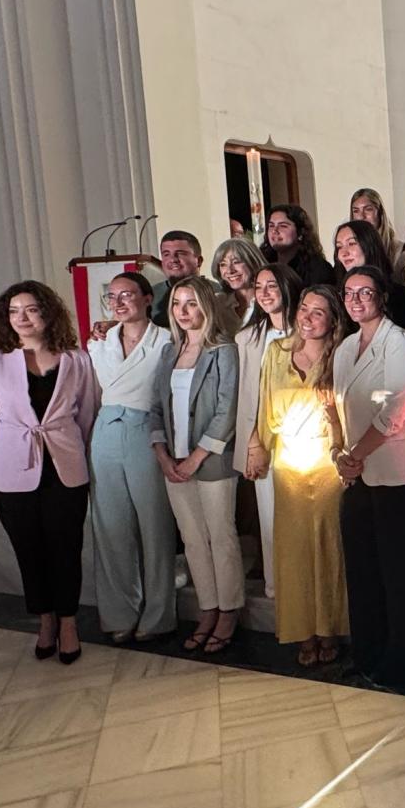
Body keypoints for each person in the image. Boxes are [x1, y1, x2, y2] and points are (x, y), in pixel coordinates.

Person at [0, 281, 99, 664]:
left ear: (47, 313)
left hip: (65, 467)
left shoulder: (76, 359)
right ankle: (45, 620)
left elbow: (88, 415)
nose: (22, 318)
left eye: (30, 309)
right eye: (13, 311)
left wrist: (86, 463)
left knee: (66, 548)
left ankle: (69, 622)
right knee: (29, 550)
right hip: (12, 469)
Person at [331, 266, 405, 684]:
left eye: (364, 292)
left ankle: (401, 658)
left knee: (395, 574)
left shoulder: (399, 342)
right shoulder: (345, 346)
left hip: (394, 474)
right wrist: (339, 452)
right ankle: (366, 653)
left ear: (381, 297)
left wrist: (353, 454)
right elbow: (334, 406)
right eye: (349, 293)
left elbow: (394, 413)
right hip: (354, 473)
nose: (355, 300)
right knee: (362, 570)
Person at [256, 285, 350, 666]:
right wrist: (256, 446)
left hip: (328, 459)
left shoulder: (341, 353)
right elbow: (262, 401)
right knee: (293, 550)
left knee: (329, 545)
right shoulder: (277, 352)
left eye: (319, 312)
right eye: (304, 309)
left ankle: (329, 629)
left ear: (333, 321)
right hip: (288, 458)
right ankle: (301, 631)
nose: (308, 318)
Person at [149, 276, 243, 654]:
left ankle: (229, 610)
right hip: (173, 461)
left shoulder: (224, 351)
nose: (183, 312)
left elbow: (227, 410)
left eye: (191, 303)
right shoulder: (169, 352)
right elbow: (156, 406)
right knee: (191, 539)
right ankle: (207, 607)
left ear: (206, 305)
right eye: (177, 304)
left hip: (212, 460)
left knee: (221, 536)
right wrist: (162, 453)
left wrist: (196, 458)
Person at [87, 272, 176, 643]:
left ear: (145, 298)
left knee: (154, 525)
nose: (119, 302)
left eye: (127, 295)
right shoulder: (99, 342)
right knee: (111, 526)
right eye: (112, 297)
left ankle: (157, 616)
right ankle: (119, 611)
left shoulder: (166, 340)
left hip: (146, 430)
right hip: (105, 430)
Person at [235, 263, 302, 598]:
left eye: (271, 285)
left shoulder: (309, 330)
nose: (264, 293)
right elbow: (246, 397)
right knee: (270, 515)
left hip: (305, 438)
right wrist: (252, 444)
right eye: (258, 287)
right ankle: (279, 587)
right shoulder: (247, 338)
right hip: (265, 439)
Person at [333, 218, 405, 327]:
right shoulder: (336, 298)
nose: (344, 253)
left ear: (369, 245)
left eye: (352, 243)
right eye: (339, 247)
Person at [262, 204, 331, 288]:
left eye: (283, 226)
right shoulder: (263, 262)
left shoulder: (317, 268)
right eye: (271, 226)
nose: (275, 231)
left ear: (300, 233)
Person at [151, 230, 206, 328]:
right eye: (166, 254)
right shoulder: (151, 294)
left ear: (199, 261)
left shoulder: (216, 293)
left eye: (180, 253)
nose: (173, 259)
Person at [212, 237, 266, 326]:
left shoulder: (269, 299)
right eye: (223, 264)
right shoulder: (217, 302)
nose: (230, 270)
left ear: (253, 262)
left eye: (236, 262)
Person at [349, 187, 399, 262]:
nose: (361, 217)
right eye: (356, 211)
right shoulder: (347, 250)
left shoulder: (400, 251)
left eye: (368, 209)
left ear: (380, 212)